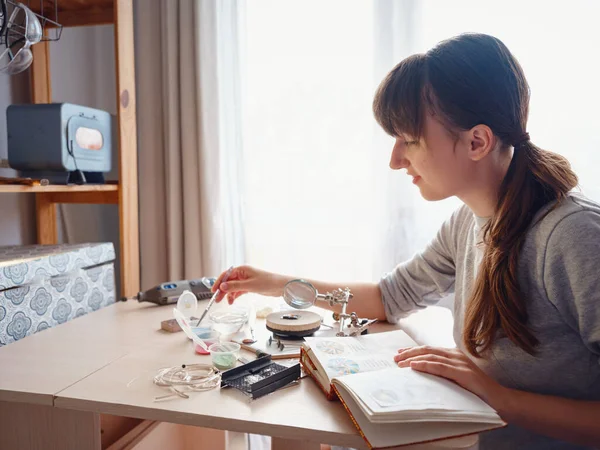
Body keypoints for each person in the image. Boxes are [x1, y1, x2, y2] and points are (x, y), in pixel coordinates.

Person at [212, 33, 600, 449]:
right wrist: (275, 284)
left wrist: (500, 397)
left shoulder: (573, 237)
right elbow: (389, 297)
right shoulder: (467, 223)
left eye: (409, 140)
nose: (395, 160)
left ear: (477, 141)